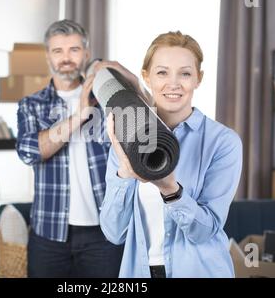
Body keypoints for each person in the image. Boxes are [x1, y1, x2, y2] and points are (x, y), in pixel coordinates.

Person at [98, 31, 243, 278]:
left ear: (198, 78)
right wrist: (124, 168)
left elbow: (204, 231)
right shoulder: (126, 138)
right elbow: (113, 233)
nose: (173, 83)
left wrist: (171, 191)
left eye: (185, 73)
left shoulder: (223, 142)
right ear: (146, 77)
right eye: (162, 72)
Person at [16, 19, 123, 278]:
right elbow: (30, 152)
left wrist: (109, 69)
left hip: (104, 233)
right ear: (48, 57)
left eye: (74, 49)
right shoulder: (31, 105)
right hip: (49, 234)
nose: (66, 58)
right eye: (58, 51)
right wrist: (80, 116)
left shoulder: (106, 100)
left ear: (86, 53)